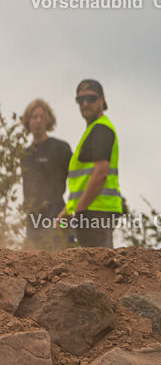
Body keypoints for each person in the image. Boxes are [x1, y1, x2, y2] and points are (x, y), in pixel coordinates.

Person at [56, 79, 122, 248]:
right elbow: (84, 180)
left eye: (91, 98)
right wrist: (68, 211)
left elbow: (101, 173)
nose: (85, 103)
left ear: (102, 99)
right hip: (90, 212)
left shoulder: (101, 130)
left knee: (97, 270)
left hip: (95, 213)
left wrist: (79, 211)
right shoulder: (93, 131)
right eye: (81, 99)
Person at [20, 98, 71, 249]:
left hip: (55, 212)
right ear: (28, 120)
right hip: (32, 217)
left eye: (42, 117)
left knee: (57, 261)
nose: (38, 121)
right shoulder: (25, 154)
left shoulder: (60, 148)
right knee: (31, 264)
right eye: (34, 117)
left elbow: (78, 178)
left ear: (48, 120)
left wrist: (69, 210)